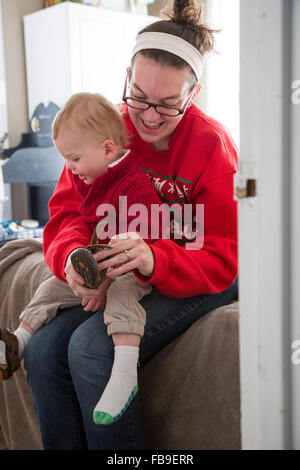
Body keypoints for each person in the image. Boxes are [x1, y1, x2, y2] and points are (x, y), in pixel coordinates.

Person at [21, 0, 238, 449]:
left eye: (168, 104)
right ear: (126, 78)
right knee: (42, 351)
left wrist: (154, 259)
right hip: (121, 270)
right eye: (138, 96)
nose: (150, 116)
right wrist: (73, 264)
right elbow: (66, 213)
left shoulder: (211, 147)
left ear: (192, 95)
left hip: (196, 274)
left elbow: (222, 256)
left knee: (89, 349)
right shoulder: (105, 129)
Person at [0, 92, 166, 426]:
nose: (70, 169)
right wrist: (80, 264)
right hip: (101, 261)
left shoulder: (134, 186)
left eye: (74, 159)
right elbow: (74, 218)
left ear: (107, 150)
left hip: (132, 266)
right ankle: (20, 339)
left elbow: (149, 240)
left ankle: (123, 371)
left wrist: (109, 275)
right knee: (52, 285)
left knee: (123, 297)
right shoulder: (88, 178)